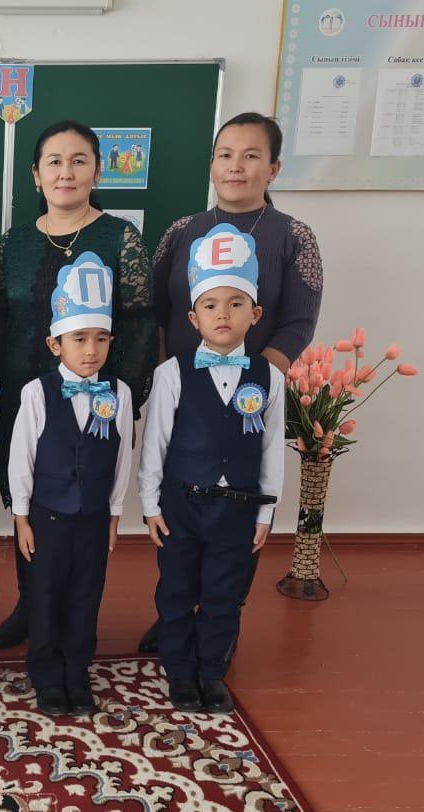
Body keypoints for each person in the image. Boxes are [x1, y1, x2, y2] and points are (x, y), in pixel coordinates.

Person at [138, 111, 322, 653]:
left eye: (251, 156)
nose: (235, 166)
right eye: (225, 155)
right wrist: (177, 377)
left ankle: (219, 623)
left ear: (274, 168)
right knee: (181, 514)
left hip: (250, 395)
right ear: (212, 164)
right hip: (187, 390)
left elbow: (299, 322)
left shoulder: (294, 236)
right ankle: (176, 616)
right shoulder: (181, 232)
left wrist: (253, 383)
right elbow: (157, 310)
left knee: (237, 518)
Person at [0, 120, 156, 652]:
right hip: (23, 395)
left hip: (93, 402)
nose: (66, 172)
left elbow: (141, 322)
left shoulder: (120, 237)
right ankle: (31, 604)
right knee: (28, 494)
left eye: (79, 161)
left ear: (97, 171)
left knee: (80, 499)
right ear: (36, 174)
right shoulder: (16, 242)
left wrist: (123, 398)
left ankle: (71, 616)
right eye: (54, 161)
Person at [138, 224, 284, 713]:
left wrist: (266, 512)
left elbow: (272, 448)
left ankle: (212, 672)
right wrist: (150, 504)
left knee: (224, 595)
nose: (223, 314)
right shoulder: (171, 373)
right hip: (182, 503)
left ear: (254, 314)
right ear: (194, 317)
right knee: (176, 591)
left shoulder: (270, 378)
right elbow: (155, 443)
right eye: (211, 305)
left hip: (238, 508)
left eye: (235, 304)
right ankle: (180, 672)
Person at [8, 252, 133, 717]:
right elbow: (22, 458)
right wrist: (21, 517)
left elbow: (122, 457)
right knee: (45, 597)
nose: (91, 350)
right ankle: (46, 675)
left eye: (100, 339)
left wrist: (115, 513)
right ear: (55, 343)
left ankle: (77, 672)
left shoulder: (119, 393)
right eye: (79, 339)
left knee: (85, 597)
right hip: (48, 516)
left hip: (94, 517)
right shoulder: (36, 393)